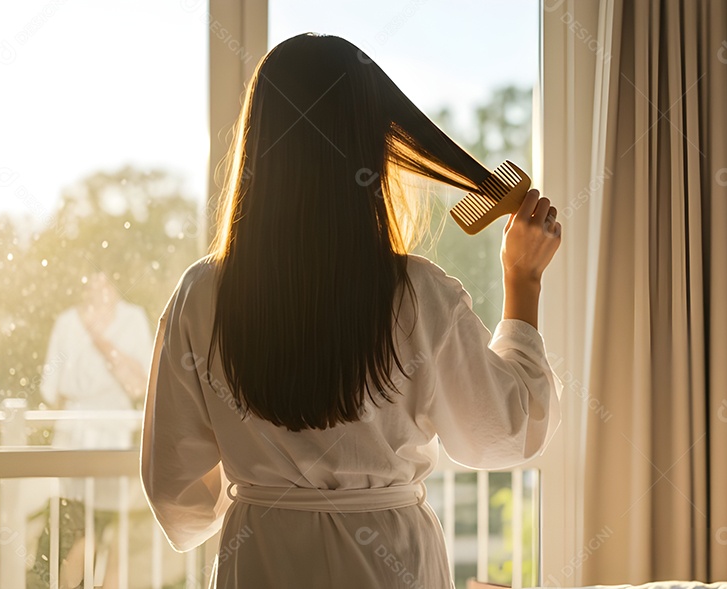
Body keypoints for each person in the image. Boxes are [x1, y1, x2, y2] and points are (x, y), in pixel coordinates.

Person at [141, 33, 562, 588]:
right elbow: (505, 434)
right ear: (371, 148)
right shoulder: (417, 292)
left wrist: (270, 476)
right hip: (391, 565)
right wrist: (523, 280)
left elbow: (177, 494)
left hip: (260, 561)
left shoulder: (200, 293)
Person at [39, 269, 153, 588]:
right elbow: (53, 391)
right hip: (72, 438)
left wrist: (99, 339)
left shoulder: (133, 319)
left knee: (113, 530)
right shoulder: (66, 322)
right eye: (90, 281)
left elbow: (139, 385)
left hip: (115, 437)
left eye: (104, 280)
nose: (97, 288)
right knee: (77, 528)